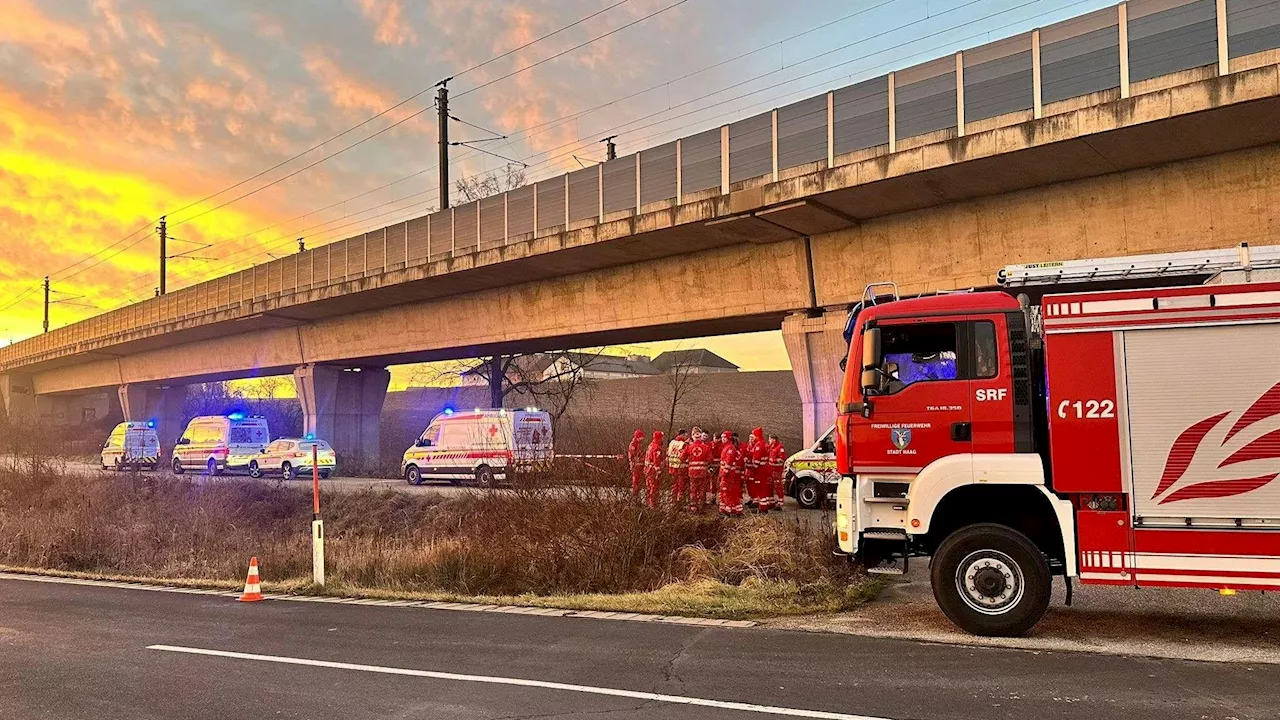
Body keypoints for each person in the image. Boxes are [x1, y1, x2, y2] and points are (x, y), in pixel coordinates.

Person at [683, 431, 713, 512]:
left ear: (693, 437)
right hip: (702, 472)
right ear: (700, 438)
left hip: (692, 472)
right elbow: (710, 459)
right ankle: (701, 505)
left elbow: (682, 457)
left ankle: (693, 505)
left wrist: (688, 461)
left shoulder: (689, 447)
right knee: (702, 488)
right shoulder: (706, 447)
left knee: (693, 488)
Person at [717, 431, 744, 516]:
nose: (723, 439)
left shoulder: (730, 448)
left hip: (728, 475)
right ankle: (727, 508)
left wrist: (724, 473)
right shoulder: (726, 447)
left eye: (724, 437)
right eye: (722, 437)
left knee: (728, 492)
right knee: (726, 491)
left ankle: (730, 509)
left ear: (729, 438)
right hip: (726, 473)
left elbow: (728, 462)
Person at [745, 427, 771, 512]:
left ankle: (763, 508)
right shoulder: (764, 444)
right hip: (764, 470)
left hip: (760, 471)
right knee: (763, 488)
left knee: (761, 489)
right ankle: (763, 506)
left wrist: (749, 467)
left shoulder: (759, 445)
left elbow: (756, 461)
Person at [644, 430, 665, 509]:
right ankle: (653, 505)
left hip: (648, 470)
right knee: (654, 488)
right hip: (653, 471)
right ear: (659, 438)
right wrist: (658, 470)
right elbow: (656, 461)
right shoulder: (657, 448)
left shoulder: (651, 445)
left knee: (649, 487)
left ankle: (649, 503)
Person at [768, 434, 787, 512]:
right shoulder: (771, 447)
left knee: (778, 486)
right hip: (771, 470)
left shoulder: (779, 448)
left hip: (777, 470)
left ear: (774, 440)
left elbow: (782, 459)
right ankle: (772, 502)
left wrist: (774, 460)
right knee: (771, 486)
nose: (768, 441)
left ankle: (780, 503)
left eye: (770, 439)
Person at [627, 430, 646, 500]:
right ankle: (635, 493)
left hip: (639, 465)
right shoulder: (633, 444)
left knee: (638, 480)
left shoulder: (638, 443)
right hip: (636, 465)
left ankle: (636, 492)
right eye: (641, 437)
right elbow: (633, 455)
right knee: (636, 480)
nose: (642, 439)